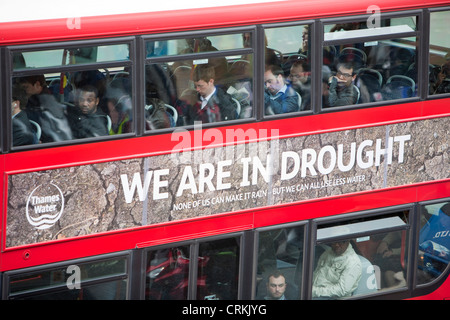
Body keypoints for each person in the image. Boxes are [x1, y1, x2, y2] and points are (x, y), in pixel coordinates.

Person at [19, 75, 73, 143]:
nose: (24, 91)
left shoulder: (46, 101)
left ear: (37, 85)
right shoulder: (33, 99)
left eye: (26, 87)